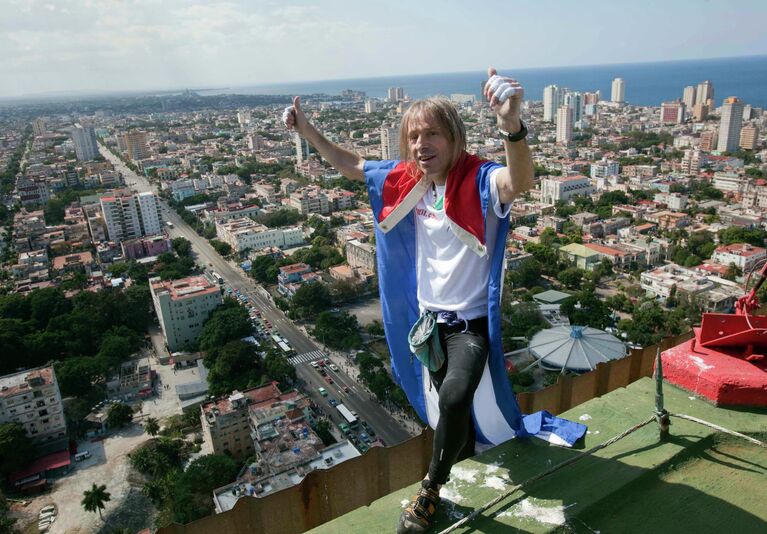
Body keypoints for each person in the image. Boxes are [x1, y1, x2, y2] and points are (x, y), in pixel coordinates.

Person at [283, 68, 585, 533]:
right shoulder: (407, 183)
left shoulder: (480, 180)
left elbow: (520, 180)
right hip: (428, 327)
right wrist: (307, 132)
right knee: (453, 419)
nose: (421, 144)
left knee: (455, 396)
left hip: (469, 325)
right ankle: (458, 479)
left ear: (454, 138)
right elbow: (352, 165)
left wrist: (512, 124)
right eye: (413, 136)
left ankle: (429, 492)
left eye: (432, 135)